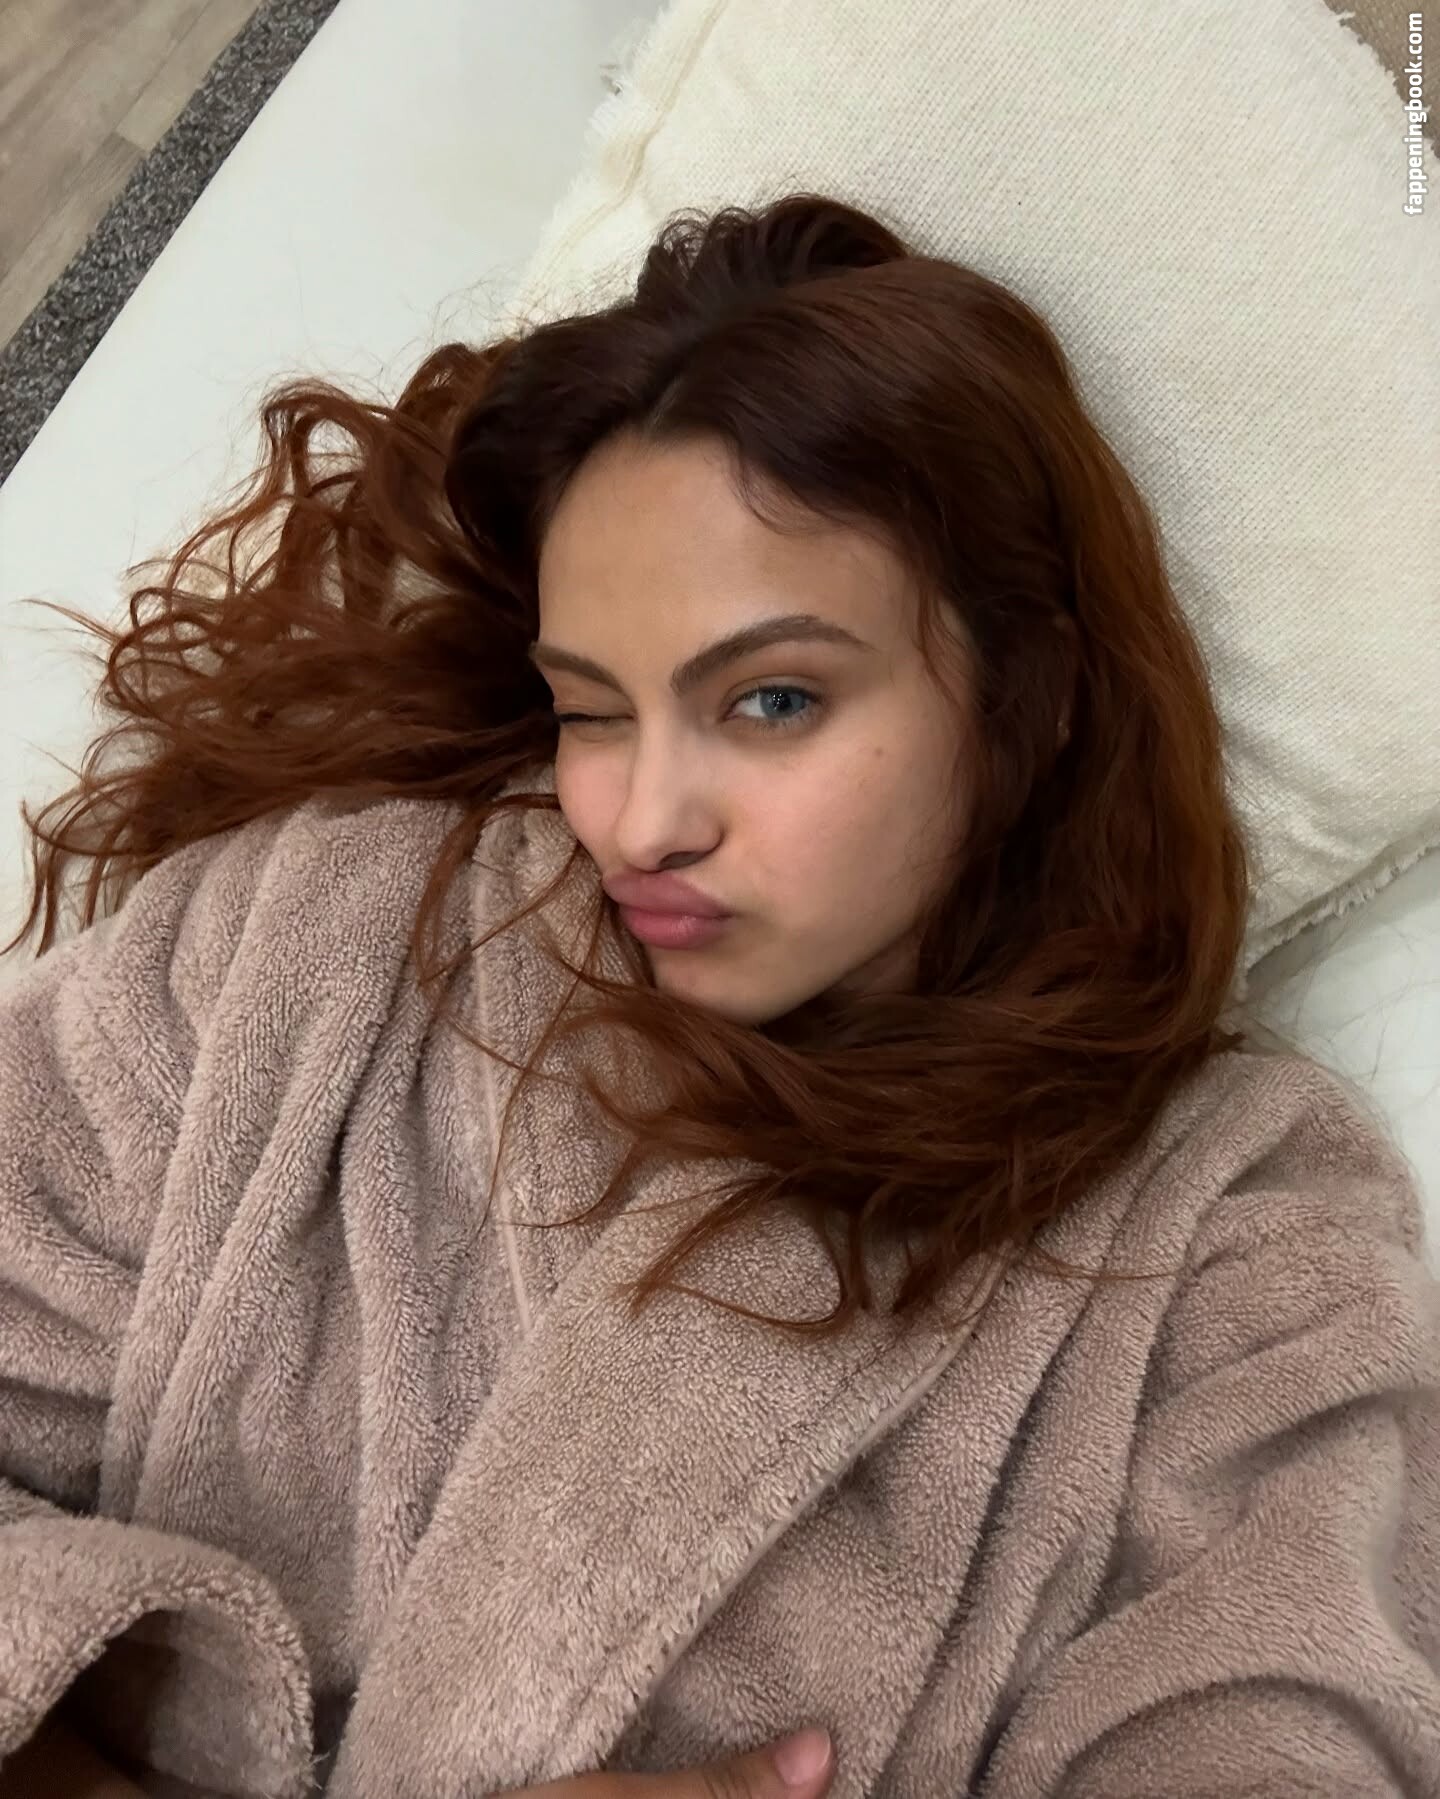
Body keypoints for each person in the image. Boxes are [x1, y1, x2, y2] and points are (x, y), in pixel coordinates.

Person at [1, 193, 1437, 1797]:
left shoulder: (1246, 1241)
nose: (641, 820)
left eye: (771, 700)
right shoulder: (306, 946)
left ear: (1029, 697)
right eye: (592, 711)